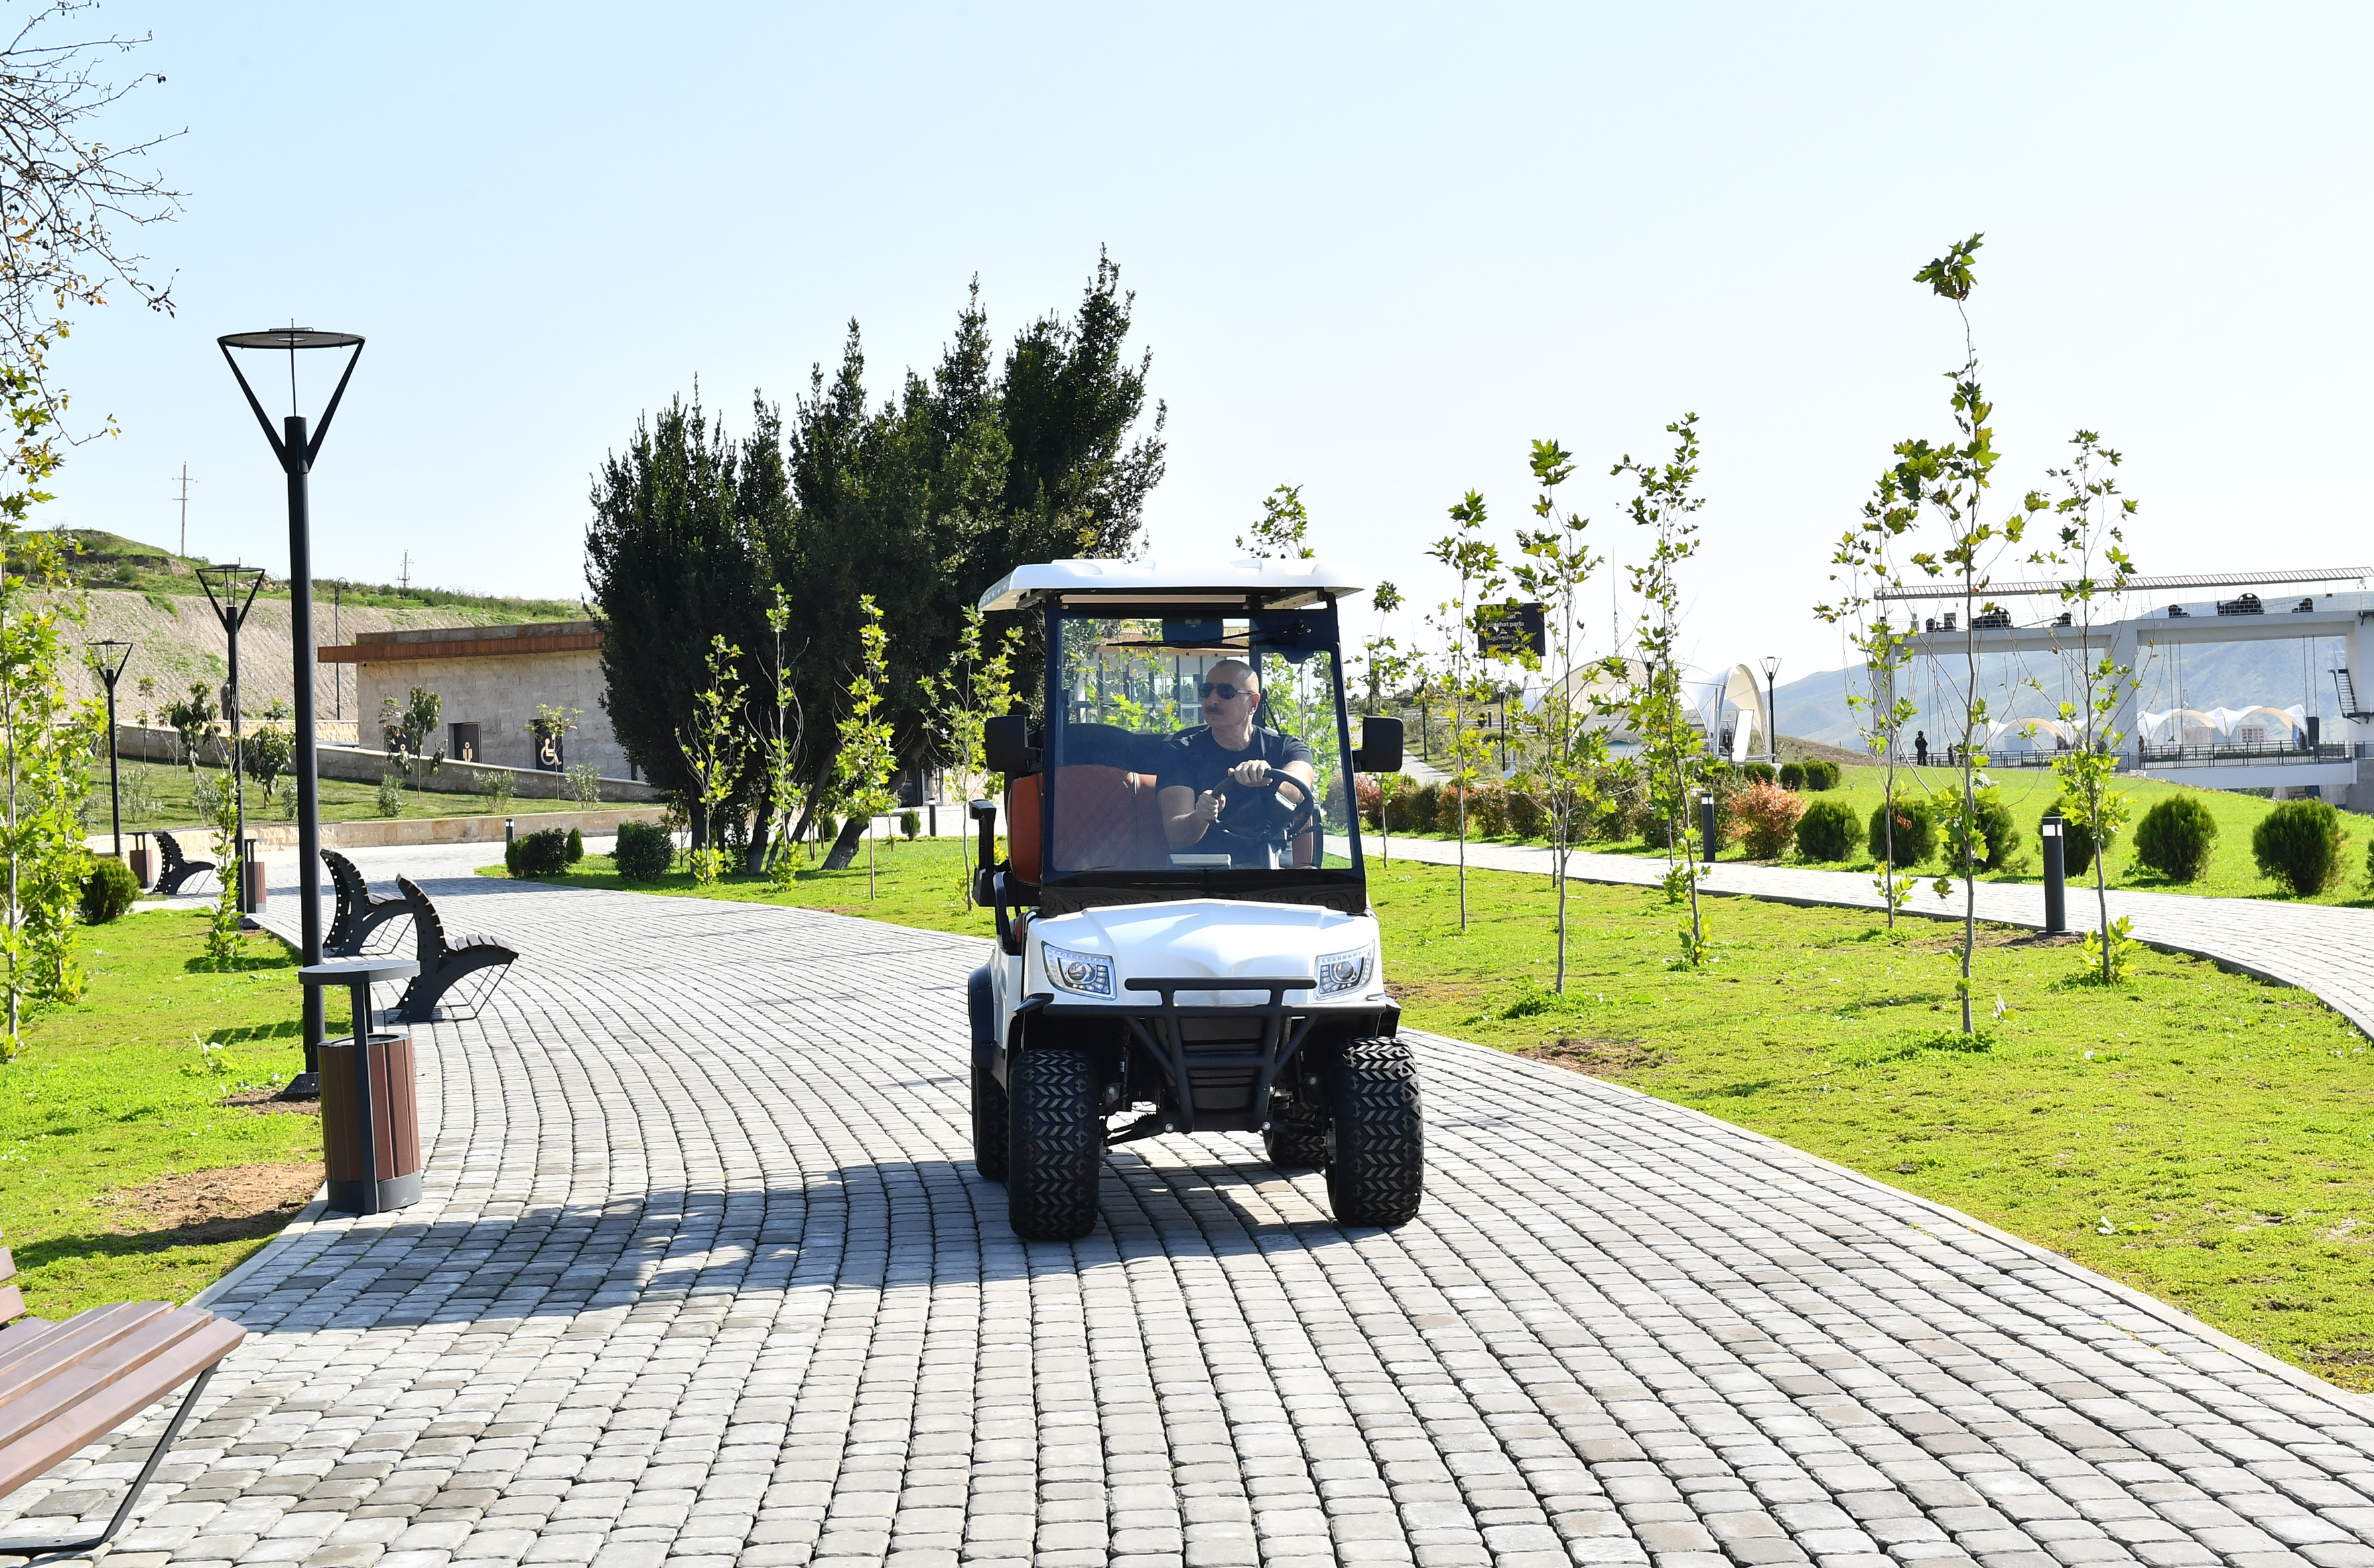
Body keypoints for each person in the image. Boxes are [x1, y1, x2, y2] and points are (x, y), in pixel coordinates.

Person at [1158, 658, 1317, 865]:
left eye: (1226, 692)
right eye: (1206, 691)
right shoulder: (1180, 752)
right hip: (1208, 876)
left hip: (1277, 874)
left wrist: (1268, 778)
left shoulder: (1288, 748)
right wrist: (1201, 815)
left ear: (1253, 703)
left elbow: (1299, 787)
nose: (1212, 700)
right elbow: (1177, 838)